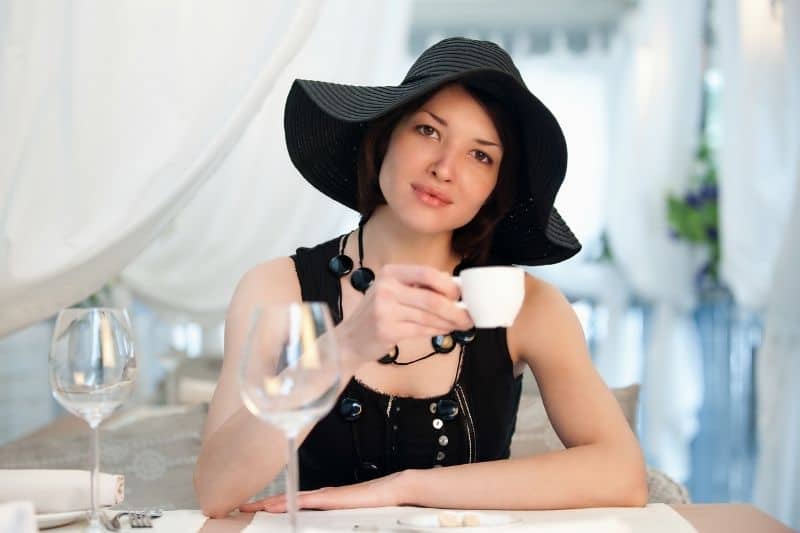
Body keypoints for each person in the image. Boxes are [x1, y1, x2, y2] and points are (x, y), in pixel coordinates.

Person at [194, 37, 647, 518]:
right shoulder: (275, 288)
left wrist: (403, 487)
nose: (444, 168)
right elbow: (216, 491)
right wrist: (346, 345)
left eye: (481, 155)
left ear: (496, 187)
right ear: (385, 137)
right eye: (429, 131)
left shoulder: (529, 305)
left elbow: (623, 474)